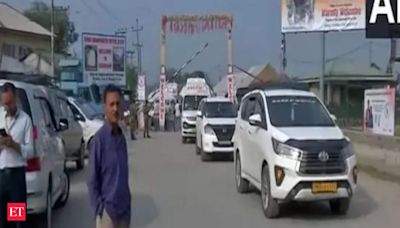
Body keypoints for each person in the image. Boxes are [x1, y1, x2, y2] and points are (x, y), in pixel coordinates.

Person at [88, 84, 131, 228]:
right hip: (108, 214)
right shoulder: (99, 140)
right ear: (104, 107)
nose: (115, 109)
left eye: (118, 104)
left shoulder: (121, 138)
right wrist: (100, 210)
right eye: (111, 104)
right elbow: (92, 180)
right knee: (16, 213)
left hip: (124, 211)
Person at [0, 82, 33, 228]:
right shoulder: (0, 117)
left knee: (17, 221)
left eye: (10, 102)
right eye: (5, 103)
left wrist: (13, 144)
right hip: (1, 177)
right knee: (3, 221)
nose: (8, 107)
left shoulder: (25, 120)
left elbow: (30, 152)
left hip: (16, 176)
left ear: (16, 99)